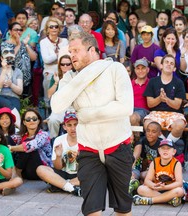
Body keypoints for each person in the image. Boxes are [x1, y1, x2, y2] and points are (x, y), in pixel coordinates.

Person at [51, 31, 134, 215]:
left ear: (92, 50)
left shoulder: (115, 69)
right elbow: (56, 105)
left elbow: (125, 107)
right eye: (70, 51)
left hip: (118, 146)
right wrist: (83, 75)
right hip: (88, 150)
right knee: (91, 209)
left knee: (123, 209)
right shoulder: (70, 78)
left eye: (76, 50)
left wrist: (88, 115)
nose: (71, 55)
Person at [143, 54, 186, 145]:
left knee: (180, 125)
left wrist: (166, 99)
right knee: (147, 124)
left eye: (171, 63)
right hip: (156, 113)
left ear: (174, 68)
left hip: (174, 113)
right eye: (166, 62)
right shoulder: (152, 81)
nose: (169, 64)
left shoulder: (179, 83)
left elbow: (177, 105)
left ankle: (165, 144)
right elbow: (150, 104)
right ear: (161, 65)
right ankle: (164, 143)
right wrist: (159, 99)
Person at [36, 111, 81, 196]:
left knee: (94, 174)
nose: (73, 128)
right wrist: (58, 156)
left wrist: (80, 157)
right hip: (62, 173)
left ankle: (60, 185)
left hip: (79, 174)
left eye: (75, 125)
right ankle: (71, 187)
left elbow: (88, 167)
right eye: (69, 125)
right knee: (40, 169)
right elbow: (57, 167)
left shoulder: (85, 140)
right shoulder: (59, 140)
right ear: (64, 127)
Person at [133, 139, 184, 207]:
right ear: (159, 151)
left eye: (168, 148)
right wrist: (153, 185)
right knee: (140, 189)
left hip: (170, 189)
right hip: (157, 189)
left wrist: (165, 187)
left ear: (174, 152)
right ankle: (169, 200)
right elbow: (147, 180)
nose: (165, 150)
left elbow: (179, 183)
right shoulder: (155, 162)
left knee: (179, 191)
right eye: (163, 148)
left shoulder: (176, 163)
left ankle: (150, 201)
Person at [9, 108, 52, 180]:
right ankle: (8, 172)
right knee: (8, 139)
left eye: (34, 119)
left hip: (40, 171)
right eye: (28, 119)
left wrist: (11, 148)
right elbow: (8, 140)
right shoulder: (21, 135)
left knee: (28, 146)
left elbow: (30, 146)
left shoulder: (44, 135)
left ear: (38, 121)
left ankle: (16, 173)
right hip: (25, 170)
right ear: (24, 122)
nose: (31, 121)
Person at [1, 22, 37, 93]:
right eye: (16, 30)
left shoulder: (24, 43)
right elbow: (9, 59)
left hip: (25, 80)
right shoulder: (5, 44)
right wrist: (18, 45)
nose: (19, 32)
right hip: (11, 81)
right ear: (10, 31)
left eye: (20, 30)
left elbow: (34, 58)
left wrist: (26, 45)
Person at [40, 17, 68, 107]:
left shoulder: (64, 41)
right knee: (48, 93)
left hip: (64, 70)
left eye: (56, 26)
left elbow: (67, 57)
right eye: (51, 27)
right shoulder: (43, 42)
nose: (54, 29)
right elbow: (46, 60)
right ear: (47, 29)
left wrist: (55, 58)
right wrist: (58, 55)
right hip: (50, 71)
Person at [46, 55, 74, 139]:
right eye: (62, 64)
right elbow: (49, 95)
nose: (65, 66)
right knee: (52, 120)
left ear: (72, 65)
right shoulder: (55, 77)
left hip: (73, 107)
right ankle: (54, 141)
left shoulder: (76, 76)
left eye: (68, 64)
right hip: (59, 108)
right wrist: (56, 82)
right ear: (59, 66)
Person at [0, 125, 23, 196]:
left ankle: (2, 187)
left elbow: (8, 175)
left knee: (18, 181)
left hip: (2, 180)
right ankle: (4, 188)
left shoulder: (5, 150)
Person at [0, 46, 23, 113]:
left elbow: (20, 91)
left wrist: (11, 85)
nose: (9, 60)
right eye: (7, 58)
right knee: (6, 104)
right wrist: (4, 69)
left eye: (11, 58)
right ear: (1, 58)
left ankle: (15, 116)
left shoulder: (18, 71)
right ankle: (15, 116)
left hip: (14, 97)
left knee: (13, 106)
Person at [130, 58, 150, 131]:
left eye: (143, 68)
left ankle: (136, 139)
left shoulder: (151, 83)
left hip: (144, 111)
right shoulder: (130, 84)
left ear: (148, 70)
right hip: (130, 110)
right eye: (138, 68)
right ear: (135, 70)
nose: (140, 71)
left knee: (133, 117)